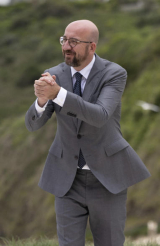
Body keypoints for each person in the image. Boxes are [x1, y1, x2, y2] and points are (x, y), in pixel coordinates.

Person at [25, 20, 150, 246]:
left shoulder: (114, 73)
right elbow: (32, 125)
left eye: (74, 41)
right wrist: (42, 100)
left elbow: (100, 115)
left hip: (107, 177)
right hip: (66, 178)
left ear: (92, 47)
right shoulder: (54, 75)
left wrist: (58, 94)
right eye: (64, 40)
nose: (66, 46)